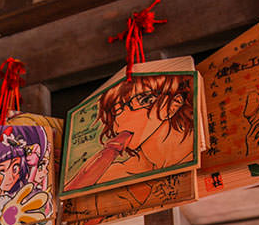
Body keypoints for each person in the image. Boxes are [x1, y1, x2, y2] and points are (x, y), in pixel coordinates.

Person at [65, 74, 194, 191]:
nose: (120, 122)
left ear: (173, 104)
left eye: (144, 101)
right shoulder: (120, 172)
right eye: (115, 113)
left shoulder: (192, 151)